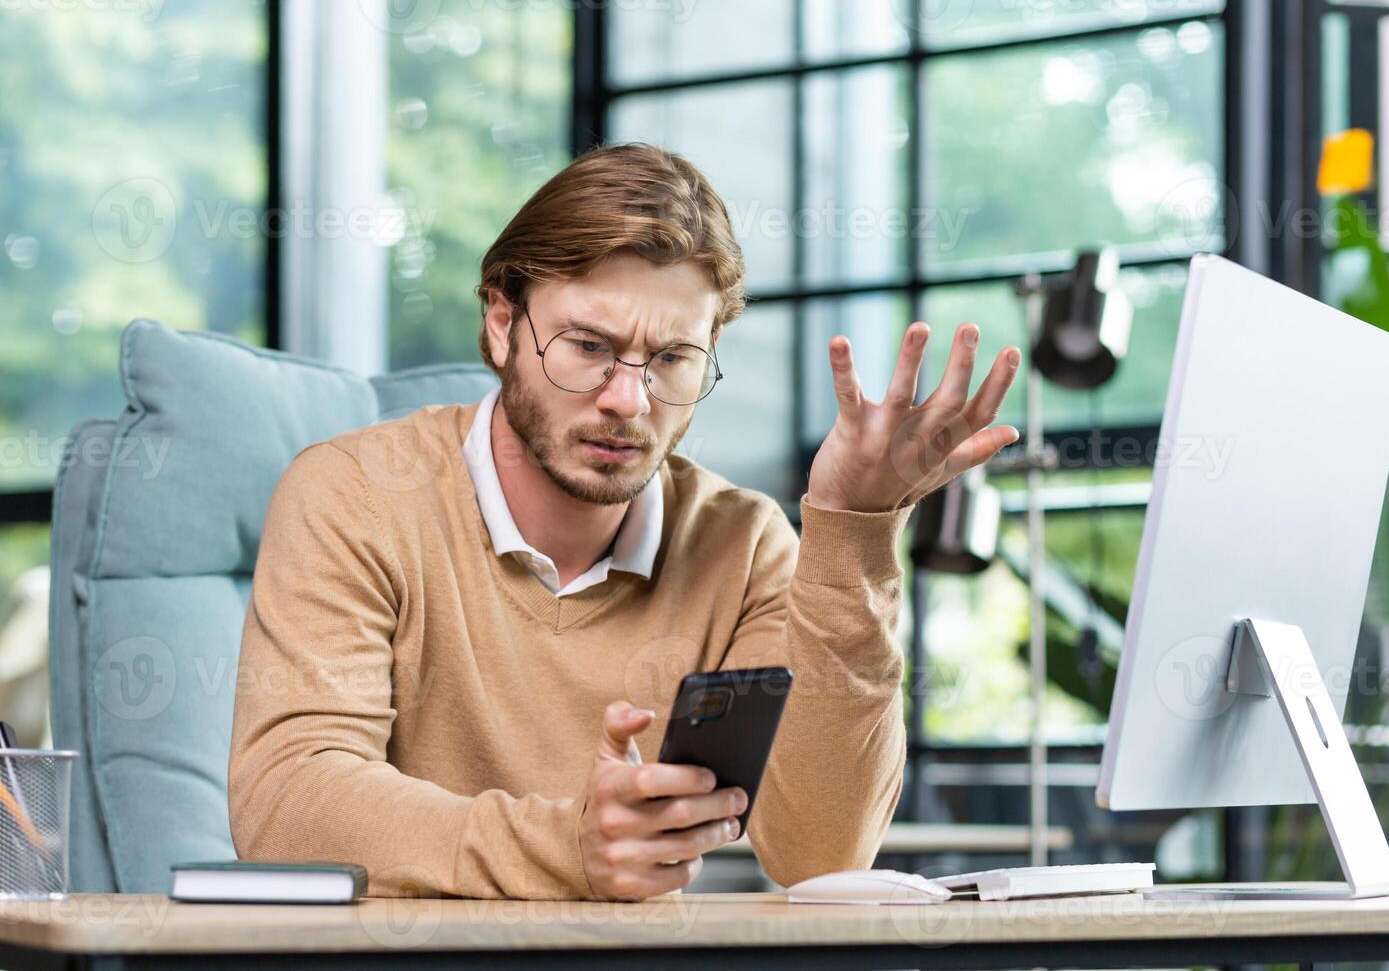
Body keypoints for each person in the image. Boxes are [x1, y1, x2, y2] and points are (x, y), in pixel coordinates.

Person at [228, 142, 1020, 901]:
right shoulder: (356, 495)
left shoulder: (741, 546)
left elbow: (821, 854)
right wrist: (568, 844)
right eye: (588, 346)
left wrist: (853, 526)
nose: (627, 400)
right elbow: (289, 800)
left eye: (673, 359)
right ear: (503, 322)